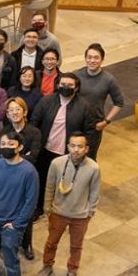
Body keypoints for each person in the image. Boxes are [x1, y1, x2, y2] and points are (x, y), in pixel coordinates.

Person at [37, 132, 101, 276]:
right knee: (51, 242)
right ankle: (47, 265)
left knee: (76, 246)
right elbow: (50, 186)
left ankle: (72, 270)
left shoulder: (93, 168)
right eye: (72, 146)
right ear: (67, 147)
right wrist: (47, 207)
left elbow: (94, 192)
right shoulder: (57, 163)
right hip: (58, 212)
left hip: (80, 215)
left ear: (86, 149)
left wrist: (90, 212)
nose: (76, 150)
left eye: (80, 146)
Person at [31, 73, 96, 225]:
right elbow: (34, 122)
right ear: (58, 84)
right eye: (63, 84)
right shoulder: (46, 101)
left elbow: (90, 132)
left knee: (66, 182)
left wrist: (84, 152)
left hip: (68, 154)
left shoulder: (85, 106)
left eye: (70, 85)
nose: (65, 88)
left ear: (76, 87)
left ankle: (63, 211)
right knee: (42, 179)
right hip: (45, 150)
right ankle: (39, 208)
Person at [0, 130, 39, 276]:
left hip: (12, 224)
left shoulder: (29, 172)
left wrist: (17, 224)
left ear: (20, 147)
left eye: (11, 144)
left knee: (10, 258)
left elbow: (30, 202)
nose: (6, 147)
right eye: (3, 144)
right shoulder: (0, 164)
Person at [74, 43, 124, 159]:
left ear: (102, 60)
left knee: (89, 158)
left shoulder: (109, 80)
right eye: (89, 57)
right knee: (73, 155)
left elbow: (119, 103)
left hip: (94, 125)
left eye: (96, 58)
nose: (92, 60)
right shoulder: (77, 75)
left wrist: (106, 122)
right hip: (76, 121)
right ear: (85, 58)